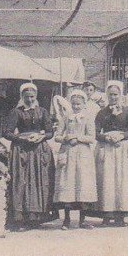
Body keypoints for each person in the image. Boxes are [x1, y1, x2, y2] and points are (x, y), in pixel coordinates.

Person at [3, 82, 56, 229]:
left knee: (40, 181)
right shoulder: (16, 112)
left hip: (40, 150)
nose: (30, 100)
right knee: (22, 181)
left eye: (32, 97)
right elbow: (6, 133)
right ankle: (22, 218)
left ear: (36, 96)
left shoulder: (43, 111)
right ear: (22, 97)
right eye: (27, 97)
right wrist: (22, 138)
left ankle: (38, 217)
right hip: (22, 150)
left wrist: (41, 137)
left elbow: (50, 132)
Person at [94, 81, 128, 226]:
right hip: (107, 148)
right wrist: (106, 137)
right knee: (107, 180)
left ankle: (121, 215)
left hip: (122, 148)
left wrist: (121, 136)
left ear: (120, 95)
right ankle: (106, 215)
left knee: (122, 181)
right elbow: (95, 133)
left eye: (116, 94)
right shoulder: (102, 113)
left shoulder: (127, 112)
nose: (113, 97)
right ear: (107, 96)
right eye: (110, 95)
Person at [53, 89, 97, 229]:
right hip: (68, 153)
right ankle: (66, 219)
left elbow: (91, 137)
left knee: (82, 183)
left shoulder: (88, 118)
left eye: (79, 104)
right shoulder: (66, 118)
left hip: (83, 154)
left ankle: (82, 219)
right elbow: (57, 136)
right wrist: (66, 138)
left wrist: (78, 138)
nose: (76, 107)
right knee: (68, 183)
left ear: (84, 104)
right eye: (74, 104)